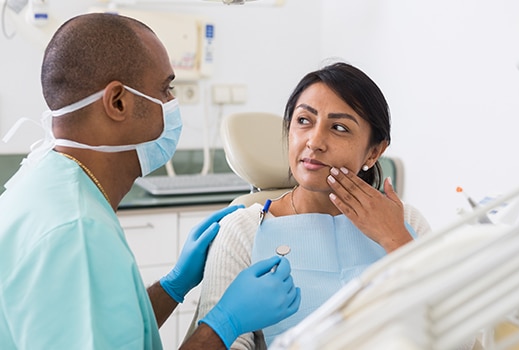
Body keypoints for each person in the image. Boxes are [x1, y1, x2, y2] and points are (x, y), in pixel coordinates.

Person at [0, 13, 300, 350]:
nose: (172, 103)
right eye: (165, 89)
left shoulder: (47, 180)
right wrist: (224, 323)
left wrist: (172, 286)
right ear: (118, 102)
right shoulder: (78, 232)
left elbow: (110, 329)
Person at [188, 62, 433, 349]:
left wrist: (398, 242)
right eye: (304, 121)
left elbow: (462, 341)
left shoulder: (407, 222)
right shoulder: (244, 229)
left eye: (339, 128)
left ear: (374, 151)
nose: (314, 141)